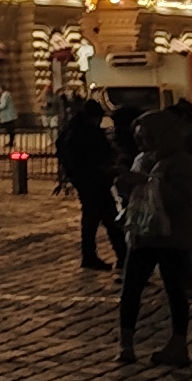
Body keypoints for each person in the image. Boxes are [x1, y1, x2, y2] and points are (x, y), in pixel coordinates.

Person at [117, 96, 192, 367]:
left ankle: (179, 343)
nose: (141, 143)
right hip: (143, 234)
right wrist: (124, 184)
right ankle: (126, 342)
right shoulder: (142, 159)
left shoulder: (183, 162)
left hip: (172, 236)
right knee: (131, 288)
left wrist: (146, 182)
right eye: (139, 138)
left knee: (175, 289)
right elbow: (135, 196)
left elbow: (181, 197)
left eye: (146, 137)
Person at [58, 94, 121, 270]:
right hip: (95, 180)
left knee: (94, 218)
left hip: (84, 180)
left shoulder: (72, 130)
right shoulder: (87, 133)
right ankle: (117, 254)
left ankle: (95, 255)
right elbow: (99, 154)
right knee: (107, 217)